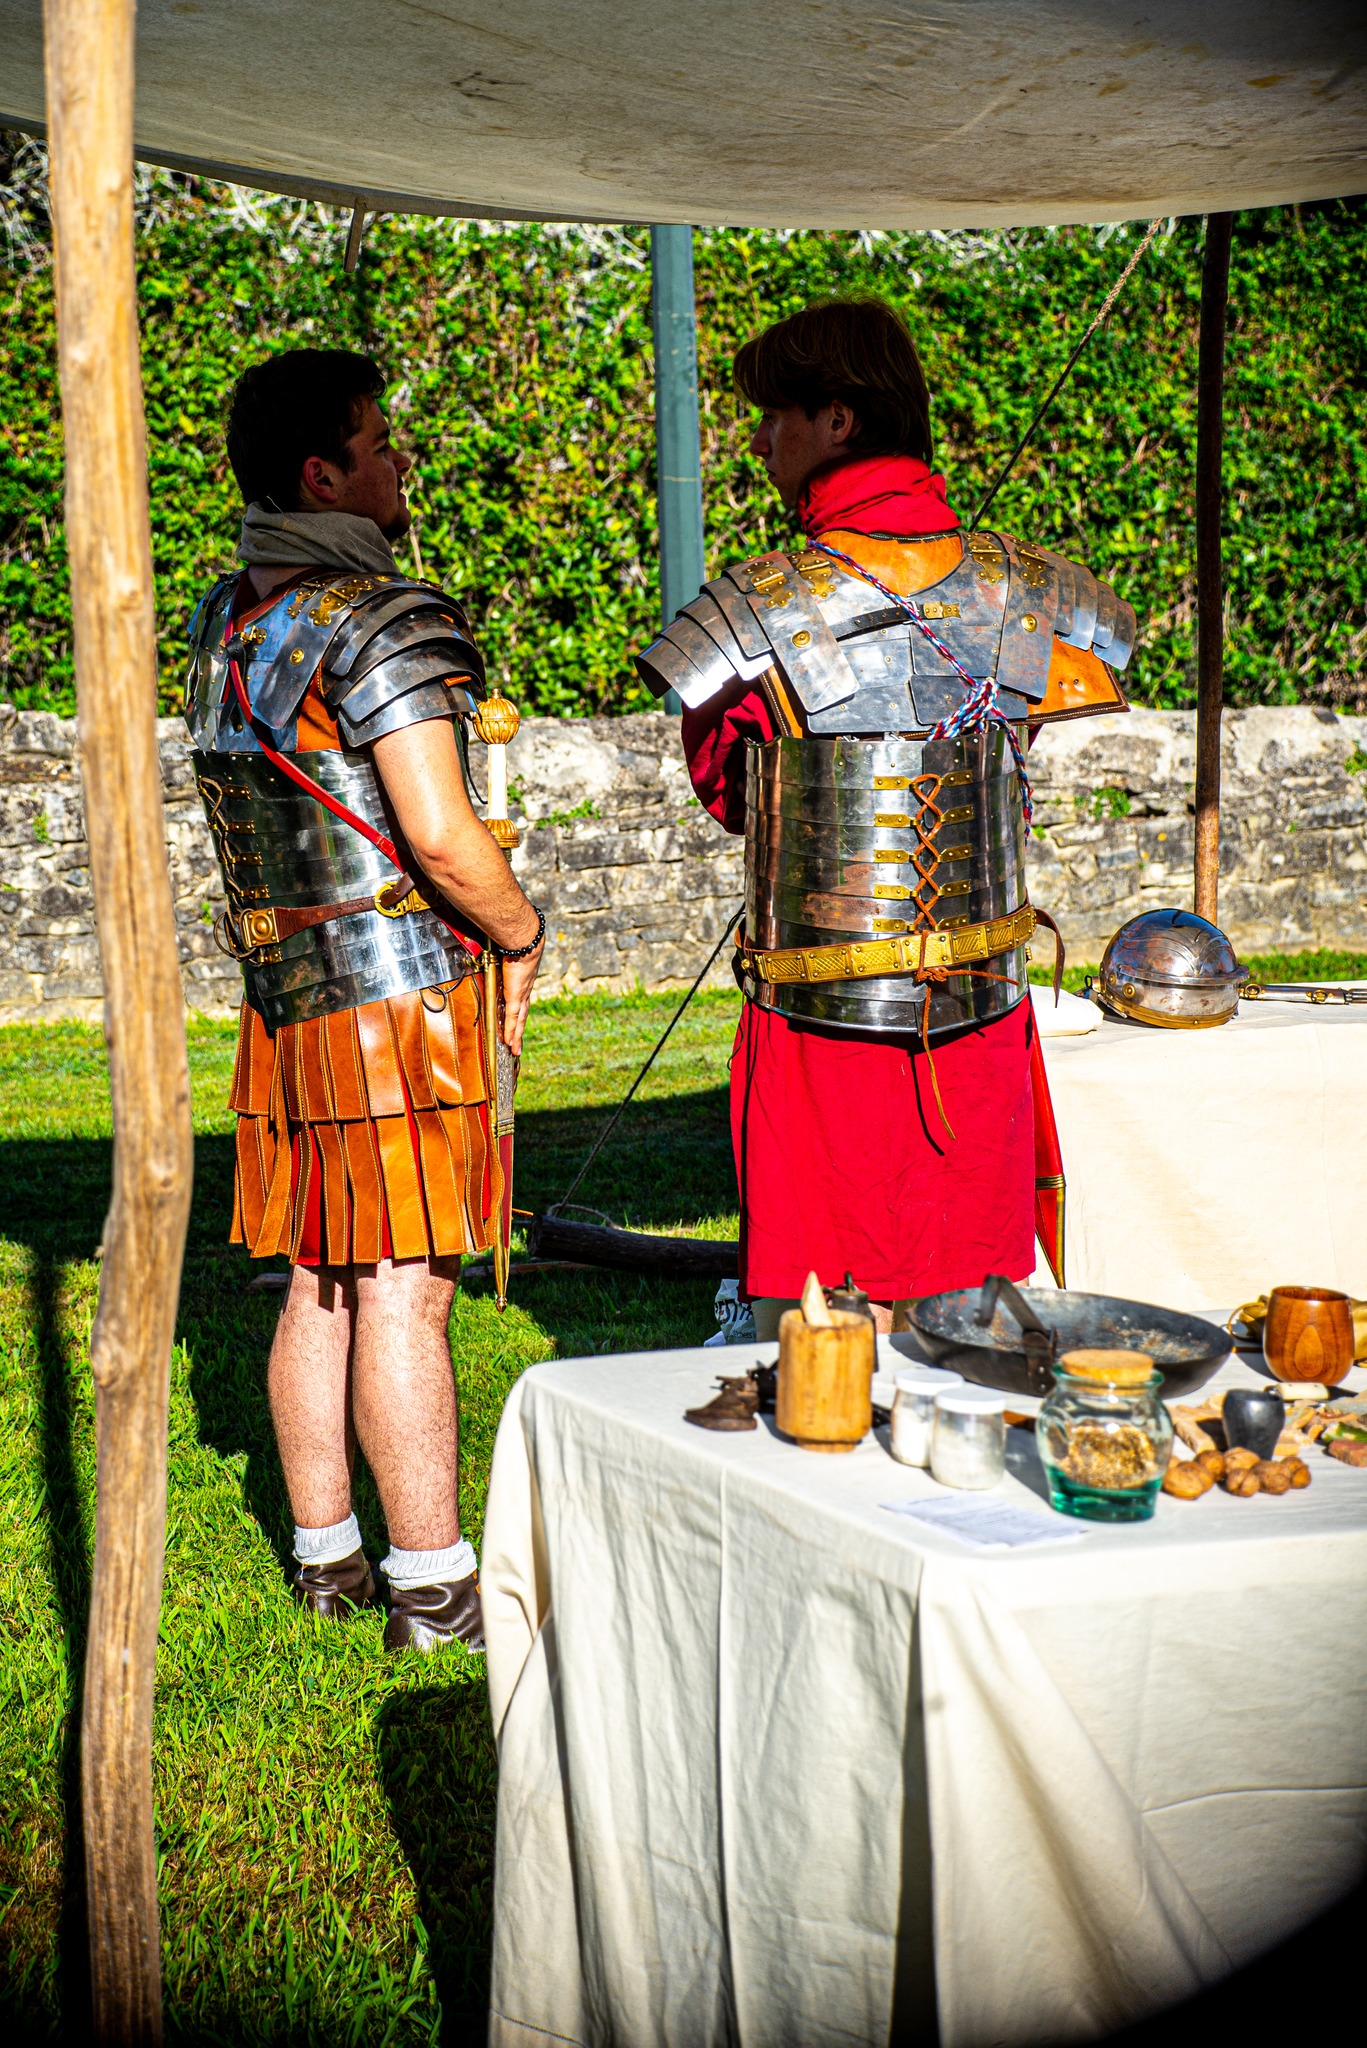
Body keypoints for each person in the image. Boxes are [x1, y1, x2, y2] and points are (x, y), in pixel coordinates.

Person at [636, 297, 1135, 1334]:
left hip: (820, 1036)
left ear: (837, 420)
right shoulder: (1034, 598)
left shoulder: (752, 611)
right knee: (975, 1329)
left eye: (773, 416)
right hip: (978, 1011)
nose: (758, 441)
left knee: (816, 1341)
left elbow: (730, 794)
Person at [185, 349, 544, 1649]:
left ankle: (327, 1561)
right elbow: (441, 839)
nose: (403, 462)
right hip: (395, 1003)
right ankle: (433, 1588)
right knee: (403, 1286)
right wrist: (519, 926)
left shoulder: (223, 625)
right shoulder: (378, 619)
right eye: (380, 441)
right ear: (321, 473)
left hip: (285, 998)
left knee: (319, 1282)